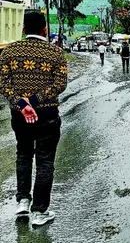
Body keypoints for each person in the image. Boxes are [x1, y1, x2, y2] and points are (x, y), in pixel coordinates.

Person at [0, 12, 68, 226]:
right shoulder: (56, 53)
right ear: (44, 30)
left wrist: (23, 104)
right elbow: (60, 84)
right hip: (47, 115)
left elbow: (3, 84)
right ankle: (39, 212)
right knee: (45, 161)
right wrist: (35, 100)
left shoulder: (8, 52)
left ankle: (22, 201)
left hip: (20, 116)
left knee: (23, 154)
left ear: (22, 29)